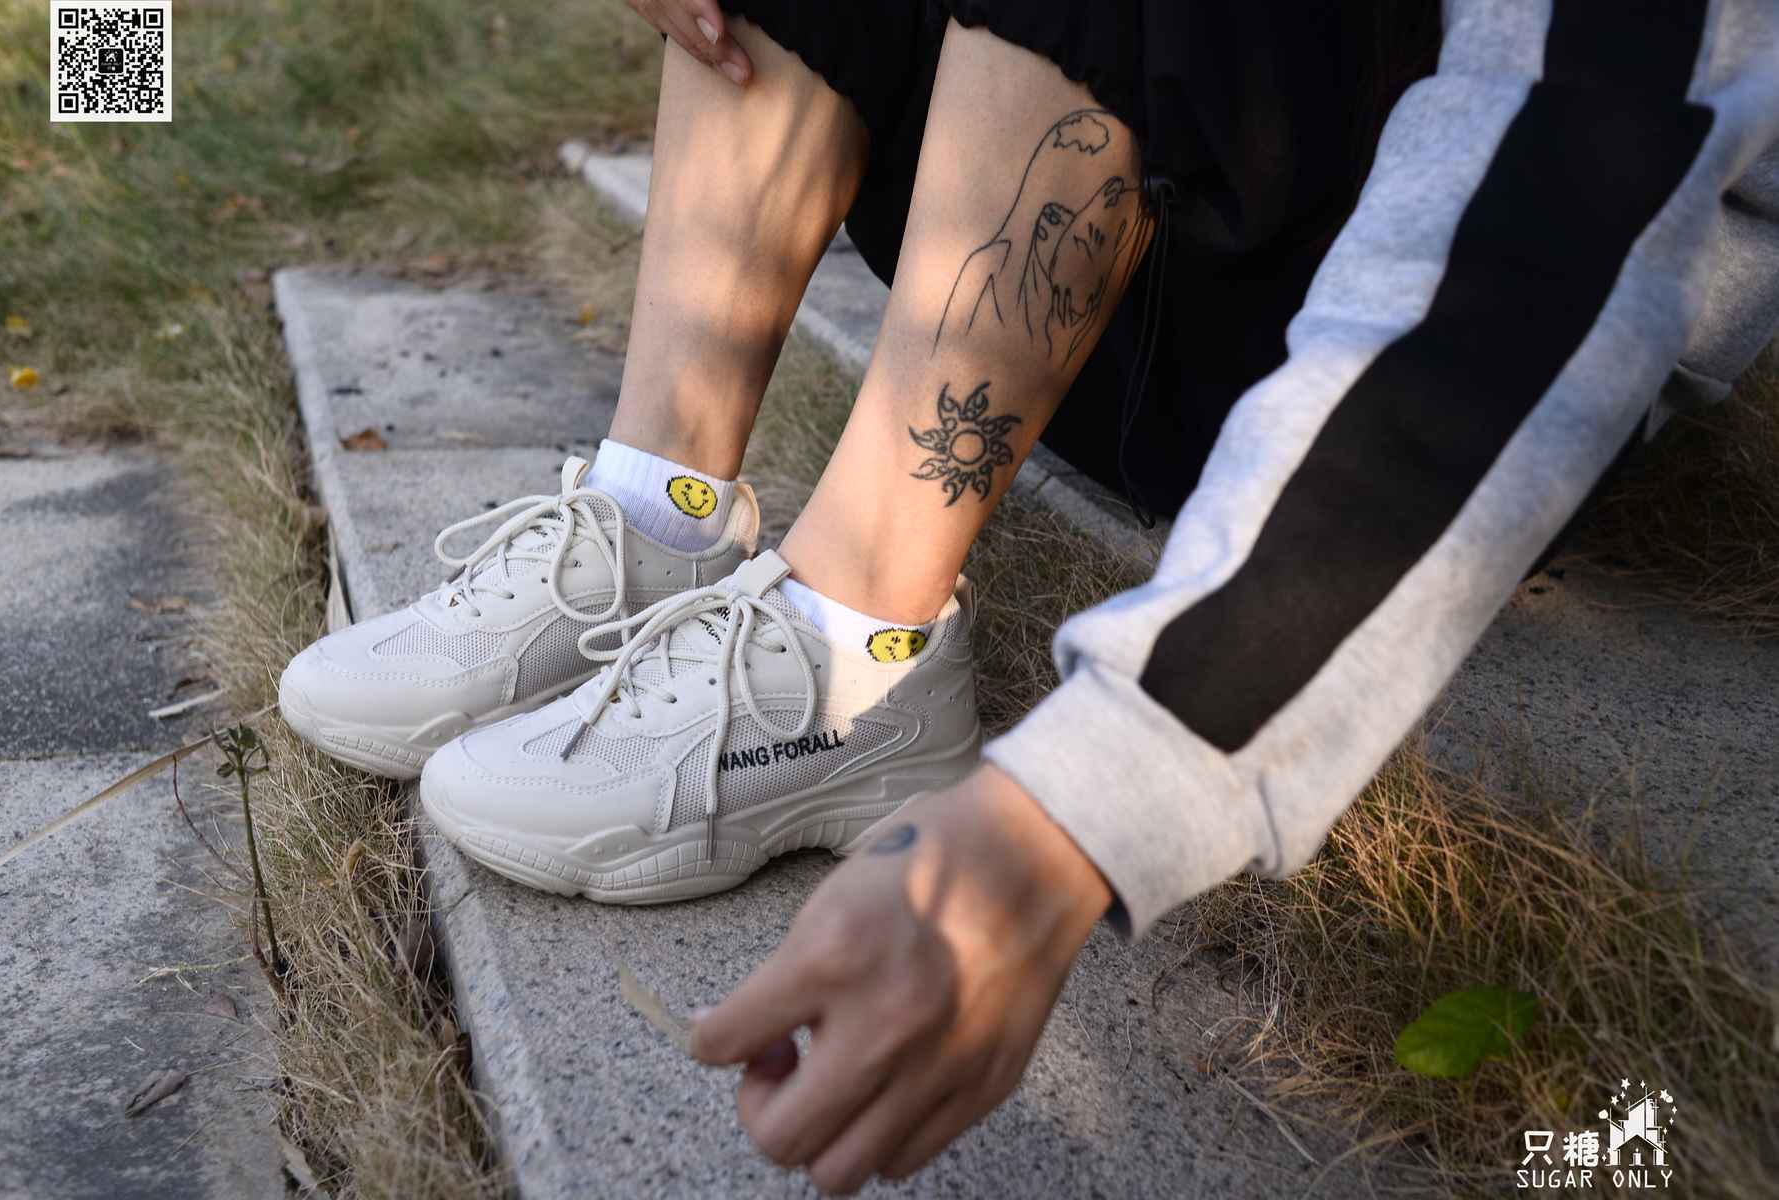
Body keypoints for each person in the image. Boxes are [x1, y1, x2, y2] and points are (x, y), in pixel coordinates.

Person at [280, 0, 1779, 1192]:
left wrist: (1083, 811)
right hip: (1142, 252)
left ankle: (856, 648)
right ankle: (653, 507)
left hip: (1425, 351)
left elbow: (1545, 240)